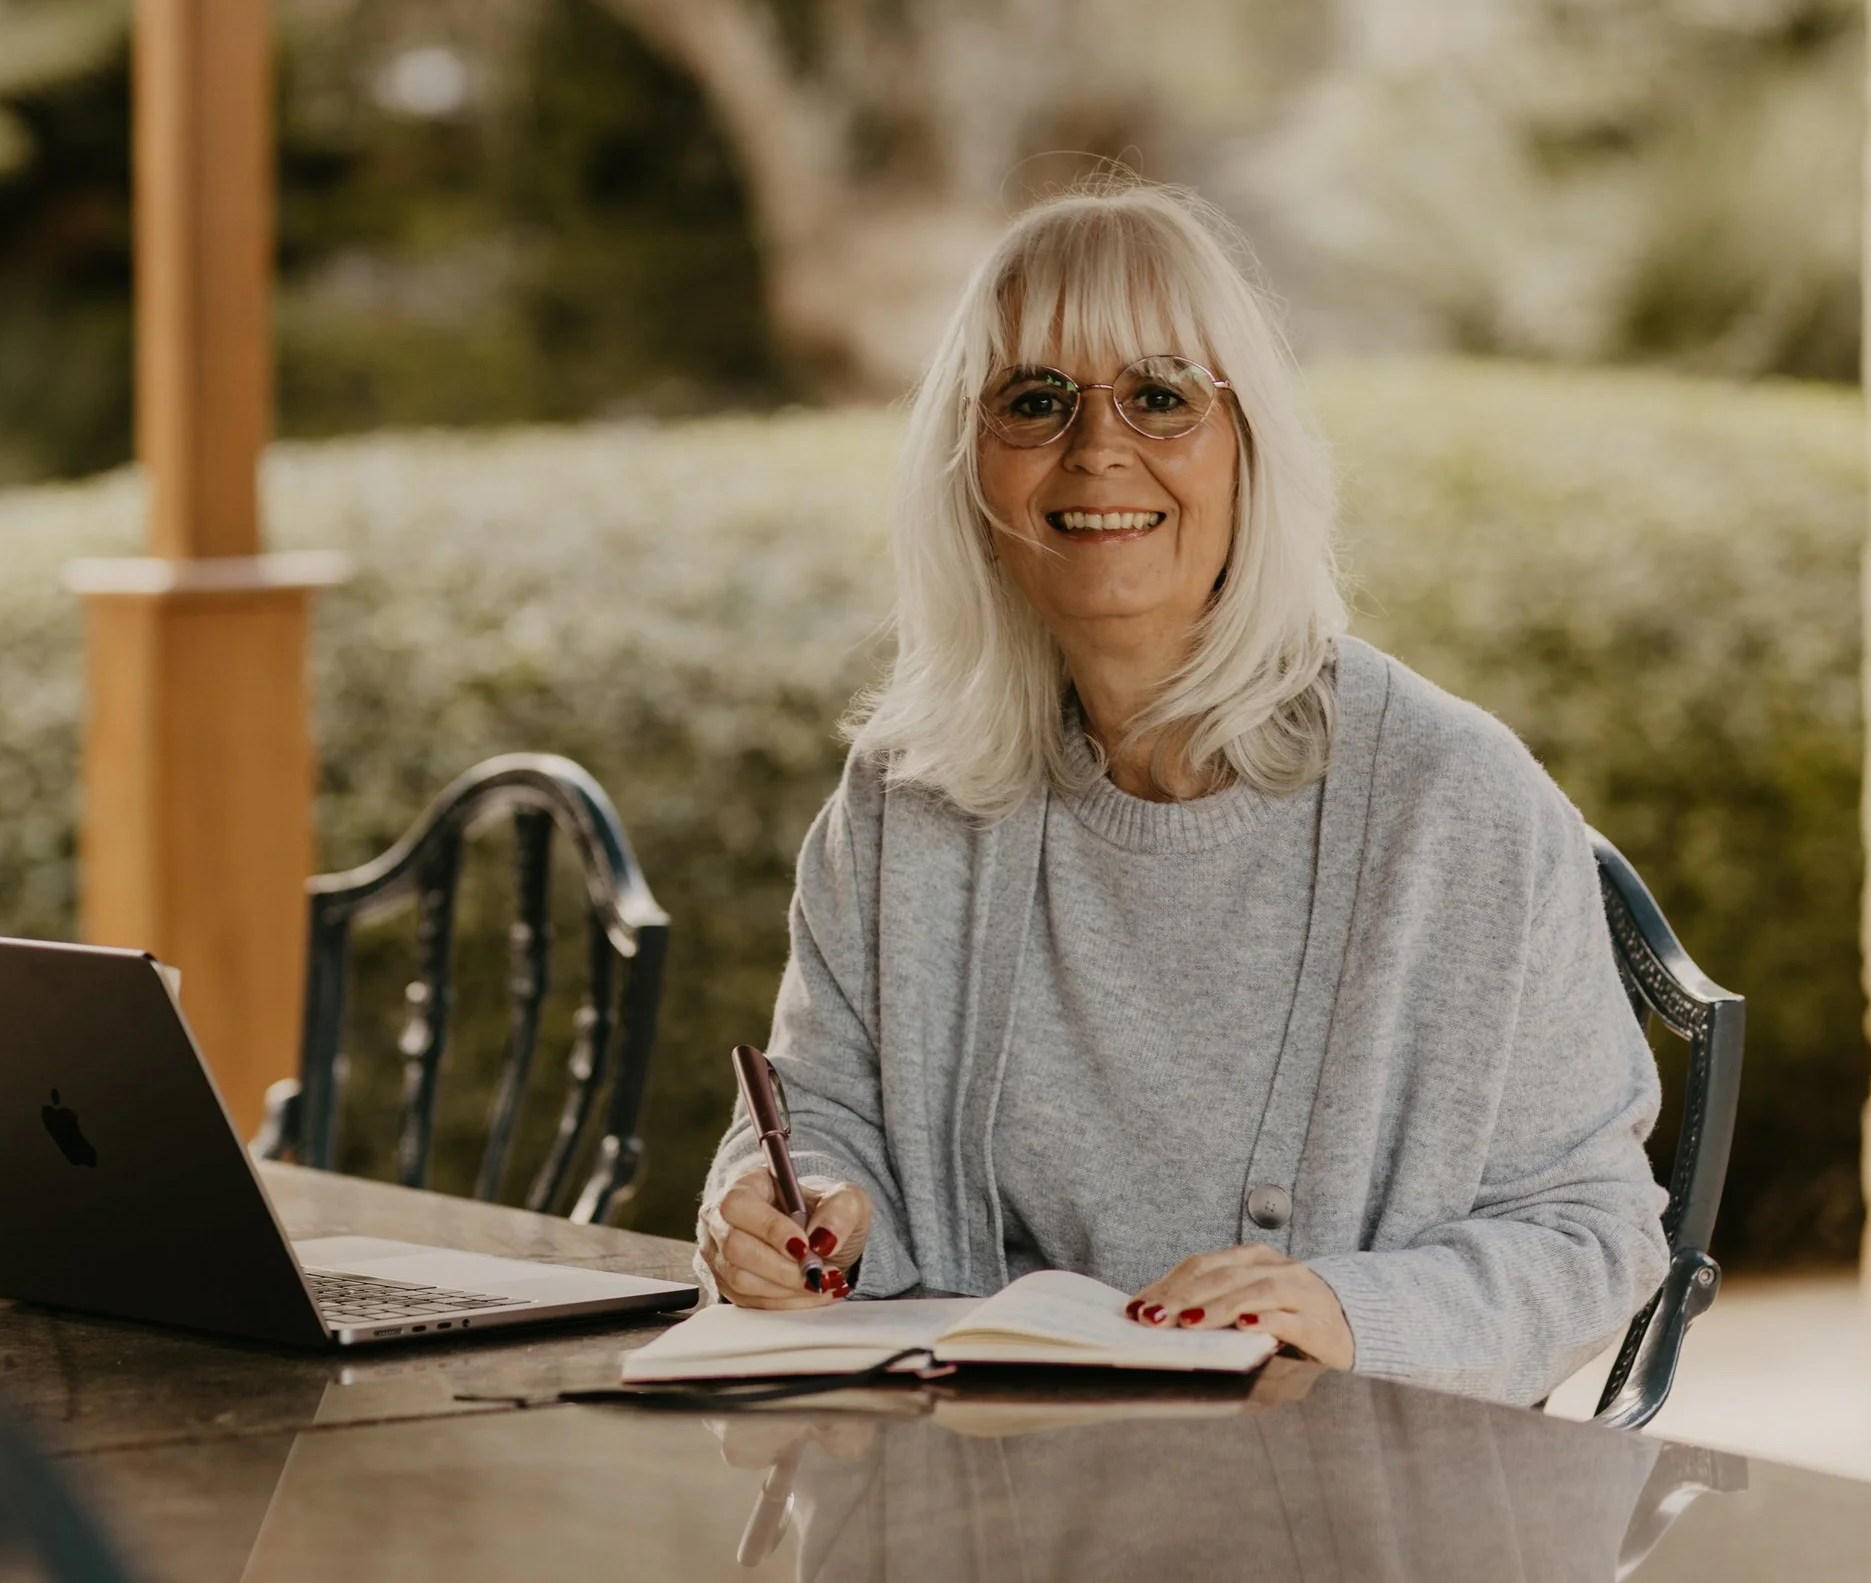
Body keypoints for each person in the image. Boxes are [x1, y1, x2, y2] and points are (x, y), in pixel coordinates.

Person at [696, 178, 1670, 1406]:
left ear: (1248, 448)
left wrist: (1347, 1311)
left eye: (1160, 396)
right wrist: (788, 1216)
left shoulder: (1455, 803)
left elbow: (1592, 1234)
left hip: (1331, 1494)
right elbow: (818, 1119)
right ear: (968, 464)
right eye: (1033, 400)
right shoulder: (906, 799)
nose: (1096, 448)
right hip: (982, 1486)